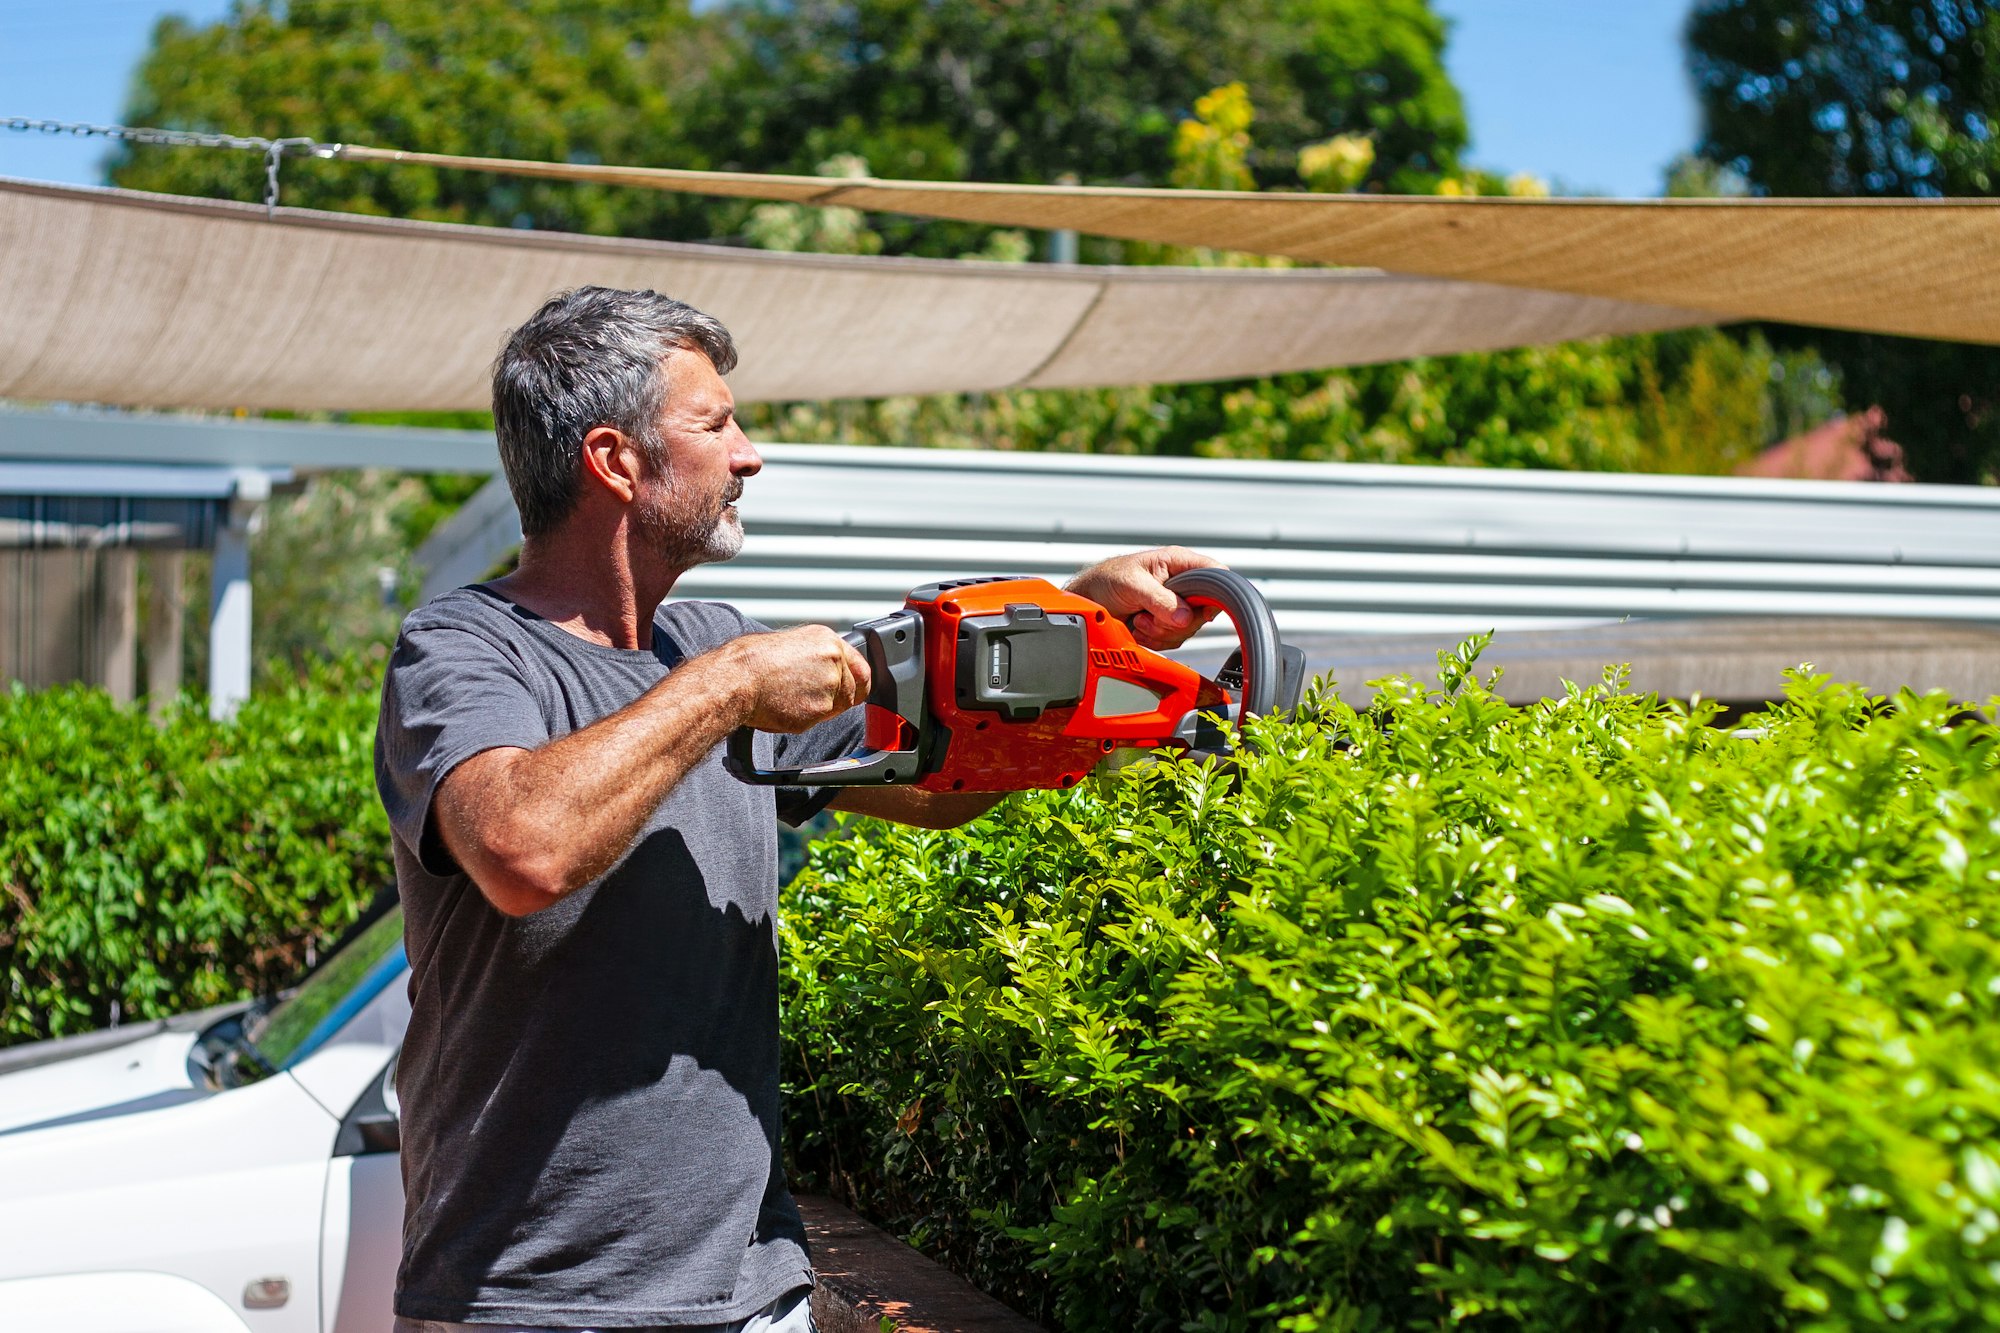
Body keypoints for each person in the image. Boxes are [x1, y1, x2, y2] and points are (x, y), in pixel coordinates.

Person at [375, 286, 1221, 1332]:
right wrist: (727, 686)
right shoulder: (463, 648)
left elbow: (927, 787)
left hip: (750, 1289)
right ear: (615, 461)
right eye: (715, 422)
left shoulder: (708, 640)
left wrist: (1076, 624)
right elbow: (523, 848)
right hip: (529, 1299)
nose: (749, 454)